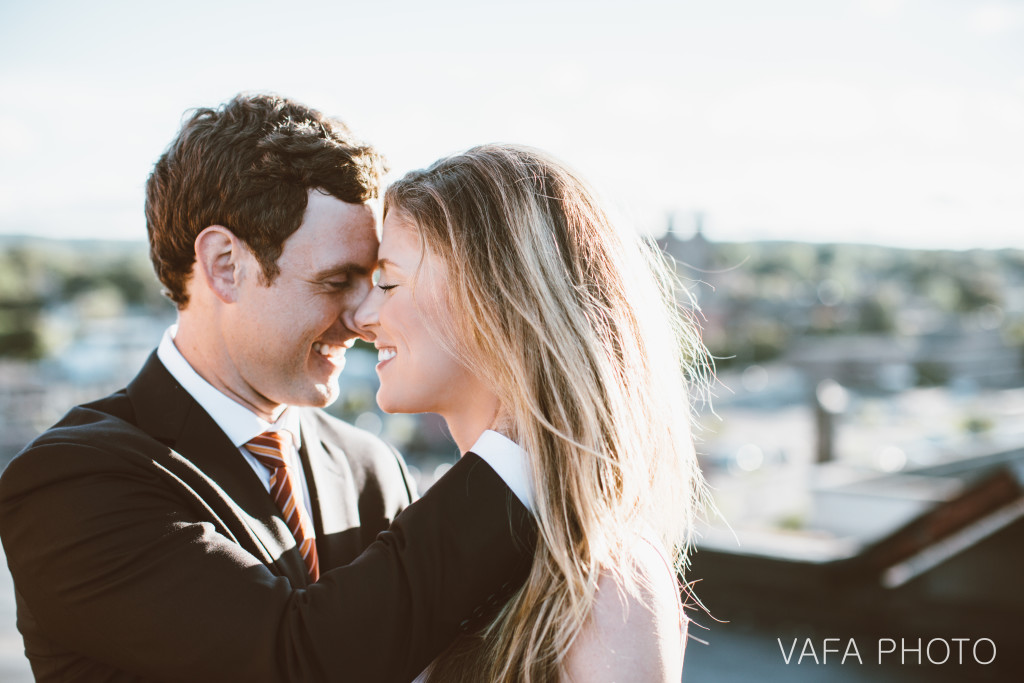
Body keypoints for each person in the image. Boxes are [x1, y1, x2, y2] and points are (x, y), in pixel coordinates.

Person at [0, 94, 535, 683]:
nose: (363, 317)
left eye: (377, 280)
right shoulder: (71, 482)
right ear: (225, 264)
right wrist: (517, 441)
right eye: (337, 280)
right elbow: (295, 659)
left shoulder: (369, 465)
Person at [354, 144, 710, 682]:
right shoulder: (436, 532)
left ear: (492, 298)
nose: (362, 316)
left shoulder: (609, 584)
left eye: (387, 282)